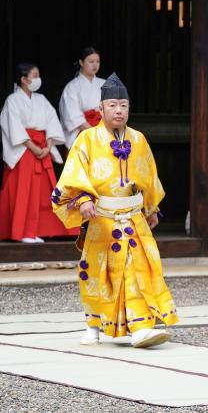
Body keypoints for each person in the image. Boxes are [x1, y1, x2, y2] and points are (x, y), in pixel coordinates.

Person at [52, 73, 177, 348]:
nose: (119, 110)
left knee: (140, 267)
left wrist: (151, 207)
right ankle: (93, 324)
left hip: (133, 217)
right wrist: (83, 199)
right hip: (102, 218)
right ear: (101, 109)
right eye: (113, 105)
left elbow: (148, 176)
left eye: (123, 105)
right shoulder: (87, 139)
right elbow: (74, 173)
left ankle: (141, 326)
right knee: (97, 273)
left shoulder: (139, 139)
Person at [0, 63, 76, 243]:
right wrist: (33, 147)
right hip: (25, 150)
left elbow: (51, 122)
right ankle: (22, 231)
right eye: (34, 75)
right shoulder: (13, 100)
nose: (38, 79)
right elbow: (14, 127)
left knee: (43, 192)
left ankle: (37, 230)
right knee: (23, 190)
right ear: (24, 79)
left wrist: (48, 146)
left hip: (42, 148)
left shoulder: (41, 99)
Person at [59, 47, 105, 150]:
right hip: (81, 133)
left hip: (104, 132)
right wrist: (94, 135)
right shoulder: (72, 87)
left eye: (97, 61)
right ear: (81, 62)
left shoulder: (105, 84)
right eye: (91, 61)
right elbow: (73, 117)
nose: (95, 65)